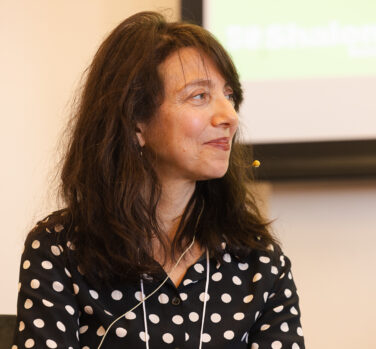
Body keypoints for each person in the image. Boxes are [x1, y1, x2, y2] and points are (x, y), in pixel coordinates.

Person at [12, 11, 305, 349]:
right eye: (199, 96)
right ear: (137, 121)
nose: (230, 116)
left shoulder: (260, 263)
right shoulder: (60, 249)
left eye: (229, 95)